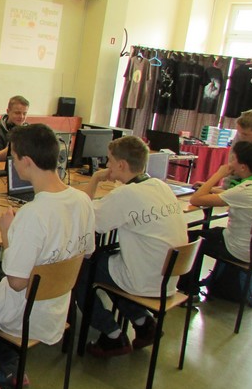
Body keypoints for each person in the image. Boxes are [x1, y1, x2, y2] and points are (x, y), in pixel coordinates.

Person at [0, 124, 94, 388]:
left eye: (14, 158)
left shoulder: (34, 214)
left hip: (23, 314)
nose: (13, 164)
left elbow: (16, 282)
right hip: (55, 311)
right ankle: (10, 367)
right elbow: (87, 251)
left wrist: (7, 233)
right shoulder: (83, 201)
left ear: (26, 162)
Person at [76, 136, 188, 357]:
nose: (107, 165)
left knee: (80, 269)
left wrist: (95, 179)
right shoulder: (160, 186)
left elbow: (84, 217)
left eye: (109, 160)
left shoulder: (126, 194)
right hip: (167, 277)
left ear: (121, 165)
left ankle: (112, 335)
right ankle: (143, 322)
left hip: (144, 278)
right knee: (109, 264)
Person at [187, 141, 252, 303]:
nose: (230, 163)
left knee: (190, 239)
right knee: (211, 231)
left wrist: (218, 174)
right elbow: (234, 194)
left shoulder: (246, 191)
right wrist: (210, 188)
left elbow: (196, 199)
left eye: (233, 159)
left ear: (243, 167)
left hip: (239, 251)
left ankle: (189, 291)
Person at [0, 95, 29, 162]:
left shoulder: (29, 130)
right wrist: (14, 146)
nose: (21, 117)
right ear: (8, 111)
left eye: (24, 113)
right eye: (17, 113)